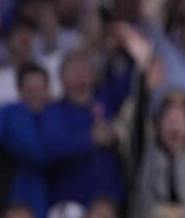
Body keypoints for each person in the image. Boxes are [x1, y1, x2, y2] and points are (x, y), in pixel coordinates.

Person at [118, 23, 185, 218]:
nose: (175, 122)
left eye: (182, 118)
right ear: (157, 125)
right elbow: (139, 117)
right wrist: (142, 69)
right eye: (169, 117)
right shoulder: (143, 156)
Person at [40, 49, 124, 208]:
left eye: (86, 70)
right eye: (75, 71)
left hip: (109, 204)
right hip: (71, 205)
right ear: (62, 79)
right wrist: (91, 138)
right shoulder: (53, 111)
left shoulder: (105, 102)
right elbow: (51, 149)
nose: (82, 75)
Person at [0, 63, 50, 218]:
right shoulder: (8, 114)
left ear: (47, 89)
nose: (35, 95)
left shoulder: (54, 115)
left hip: (46, 196)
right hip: (13, 196)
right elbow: (37, 152)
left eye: (39, 89)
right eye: (30, 90)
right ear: (19, 90)